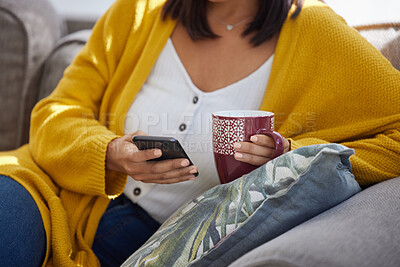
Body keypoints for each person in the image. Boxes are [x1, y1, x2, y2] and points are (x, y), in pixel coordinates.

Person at [0, 0, 399, 266]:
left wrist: (290, 154)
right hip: (60, 198)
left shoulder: (316, 30)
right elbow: (55, 112)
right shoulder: (138, 12)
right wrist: (108, 152)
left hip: (182, 241)